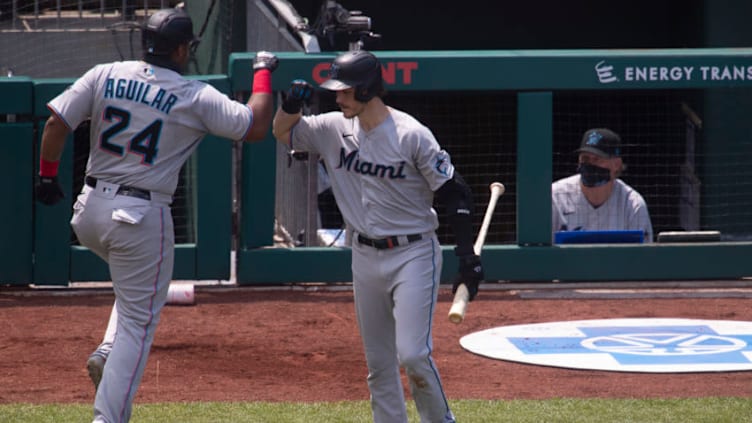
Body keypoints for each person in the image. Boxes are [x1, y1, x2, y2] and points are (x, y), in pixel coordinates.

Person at [33, 7, 278, 422]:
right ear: (182, 49)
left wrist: (46, 176)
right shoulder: (193, 94)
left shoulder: (105, 72)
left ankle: (107, 350)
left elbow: (56, 123)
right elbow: (254, 125)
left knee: (133, 293)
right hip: (140, 216)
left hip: (89, 211)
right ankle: (106, 417)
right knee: (138, 324)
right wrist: (263, 70)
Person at [272, 49, 484, 423]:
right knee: (379, 364)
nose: (338, 98)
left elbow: (455, 192)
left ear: (368, 90)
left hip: (413, 253)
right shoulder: (331, 128)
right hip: (364, 255)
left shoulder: (411, 134)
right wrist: (290, 105)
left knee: (414, 355)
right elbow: (282, 132)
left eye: (346, 91)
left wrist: (467, 258)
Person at [552, 128, 654, 242]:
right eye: (585, 158)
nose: (590, 164)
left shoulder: (632, 204)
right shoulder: (556, 196)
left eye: (597, 159)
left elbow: (642, 256)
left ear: (616, 164)